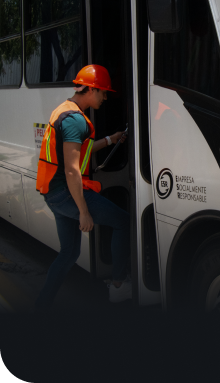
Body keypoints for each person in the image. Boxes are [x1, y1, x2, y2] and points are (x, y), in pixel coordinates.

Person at [35, 64, 131, 312]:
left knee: (68, 253)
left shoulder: (65, 111)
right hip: (66, 194)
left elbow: (82, 149)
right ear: (93, 89)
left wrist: (112, 139)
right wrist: (84, 211)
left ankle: (41, 306)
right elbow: (71, 170)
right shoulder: (75, 120)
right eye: (104, 93)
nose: (105, 98)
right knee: (122, 221)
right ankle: (119, 286)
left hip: (53, 194)